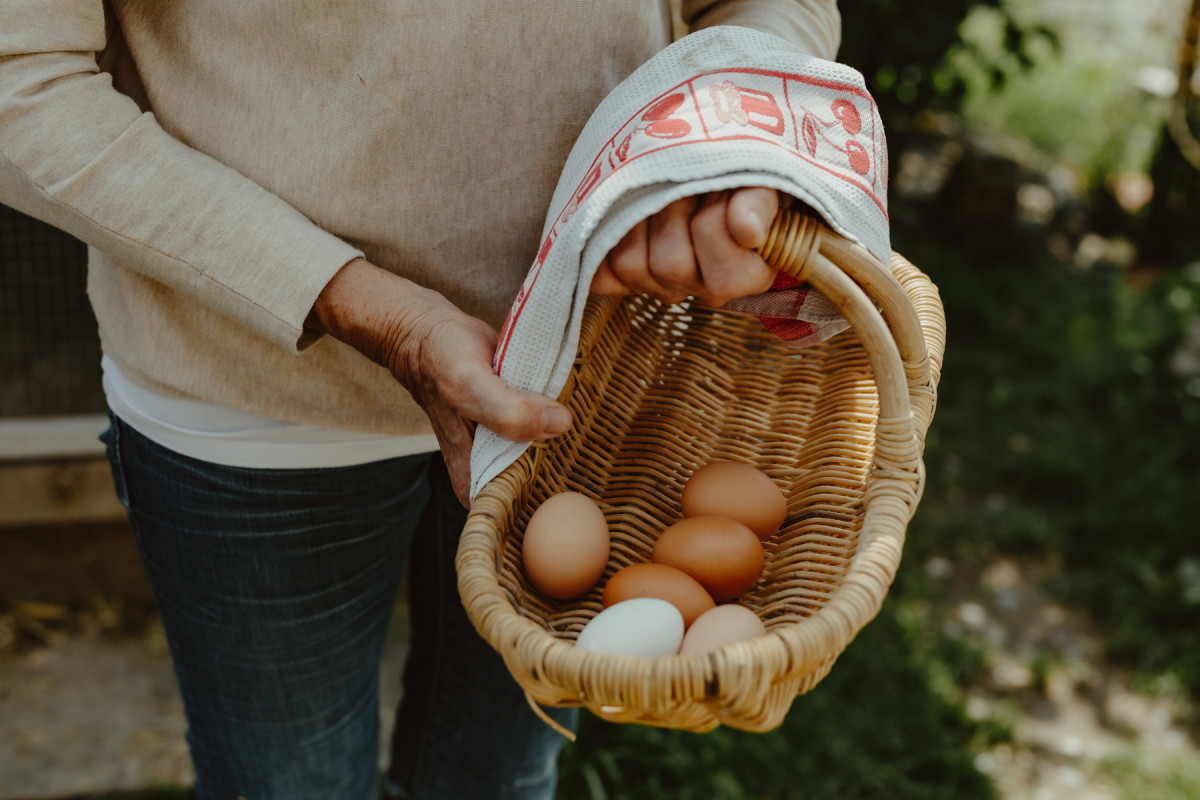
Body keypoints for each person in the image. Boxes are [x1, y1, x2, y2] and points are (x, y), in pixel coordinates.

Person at [0, 2, 841, 798]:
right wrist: (371, 312)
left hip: (581, 389)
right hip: (252, 406)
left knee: (499, 780)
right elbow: (21, 83)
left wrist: (733, 137)